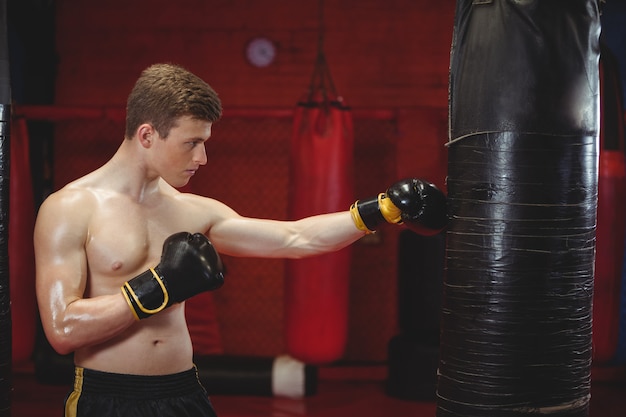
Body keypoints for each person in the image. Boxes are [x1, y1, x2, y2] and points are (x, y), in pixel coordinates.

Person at [34, 63, 447, 417]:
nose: (202, 158)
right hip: (110, 398)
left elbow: (294, 238)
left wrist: (379, 210)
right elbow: (62, 330)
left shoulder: (193, 211)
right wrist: (156, 287)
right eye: (191, 143)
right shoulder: (70, 207)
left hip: (184, 394)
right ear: (146, 135)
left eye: (205, 143)